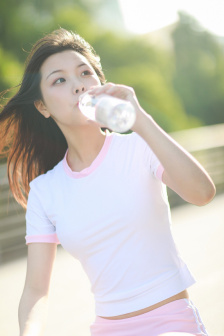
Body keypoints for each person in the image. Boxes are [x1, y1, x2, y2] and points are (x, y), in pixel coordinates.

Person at [0, 28, 216, 336]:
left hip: (172, 323)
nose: (78, 86)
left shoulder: (140, 147)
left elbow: (202, 193)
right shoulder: (44, 192)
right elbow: (36, 291)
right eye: (59, 80)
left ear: (101, 83)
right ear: (42, 107)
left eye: (84, 73)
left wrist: (139, 118)